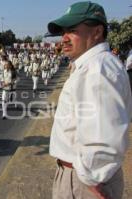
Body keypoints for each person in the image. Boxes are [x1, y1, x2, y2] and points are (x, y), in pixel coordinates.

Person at [48, 2, 132, 199]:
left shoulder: (98, 70)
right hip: (80, 176)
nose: (64, 38)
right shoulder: (95, 65)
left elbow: (105, 137)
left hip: (84, 183)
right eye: (63, 32)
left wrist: (91, 179)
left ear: (96, 32)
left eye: (72, 30)